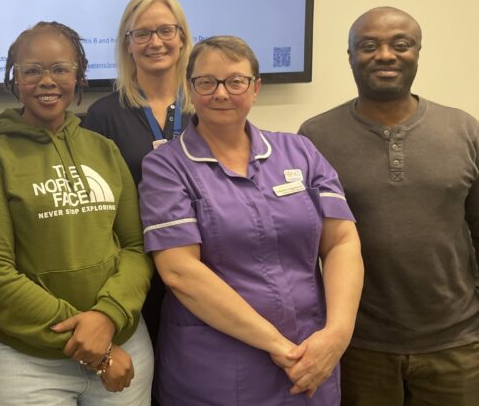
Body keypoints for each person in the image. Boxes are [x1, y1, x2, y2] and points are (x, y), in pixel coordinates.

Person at [140, 36, 363, 405]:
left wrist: (337, 335)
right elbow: (180, 271)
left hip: (314, 356)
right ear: (190, 89)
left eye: (236, 81)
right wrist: (279, 346)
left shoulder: (300, 151)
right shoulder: (166, 167)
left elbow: (341, 241)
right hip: (216, 371)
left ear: (255, 88)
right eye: (206, 82)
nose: (221, 93)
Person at [0, 21, 154, 405]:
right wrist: (91, 341)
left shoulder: (104, 150)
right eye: (32, 70)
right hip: (22, 363)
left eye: (60, 69)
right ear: (15, 79)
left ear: (78, 75)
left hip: (122, 343)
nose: (47, 80)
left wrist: (107, 316)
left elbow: (135, 247)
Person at [299, 7, 479, 405]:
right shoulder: (315, 137)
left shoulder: (464, 130)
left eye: (400, 44)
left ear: (417, 52)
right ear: (350, 56)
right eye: (368, 45)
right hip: (359, 345)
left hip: (457, 345)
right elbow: (304, 244)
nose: (385, 55)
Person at [82, 0, 194, 371]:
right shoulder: (102, 116)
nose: (155, 42)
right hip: (134, 268)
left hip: (201, 263)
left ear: (182, 38)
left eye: (165, 30)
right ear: (127, 45)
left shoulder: (206, 104)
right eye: (142, 34)